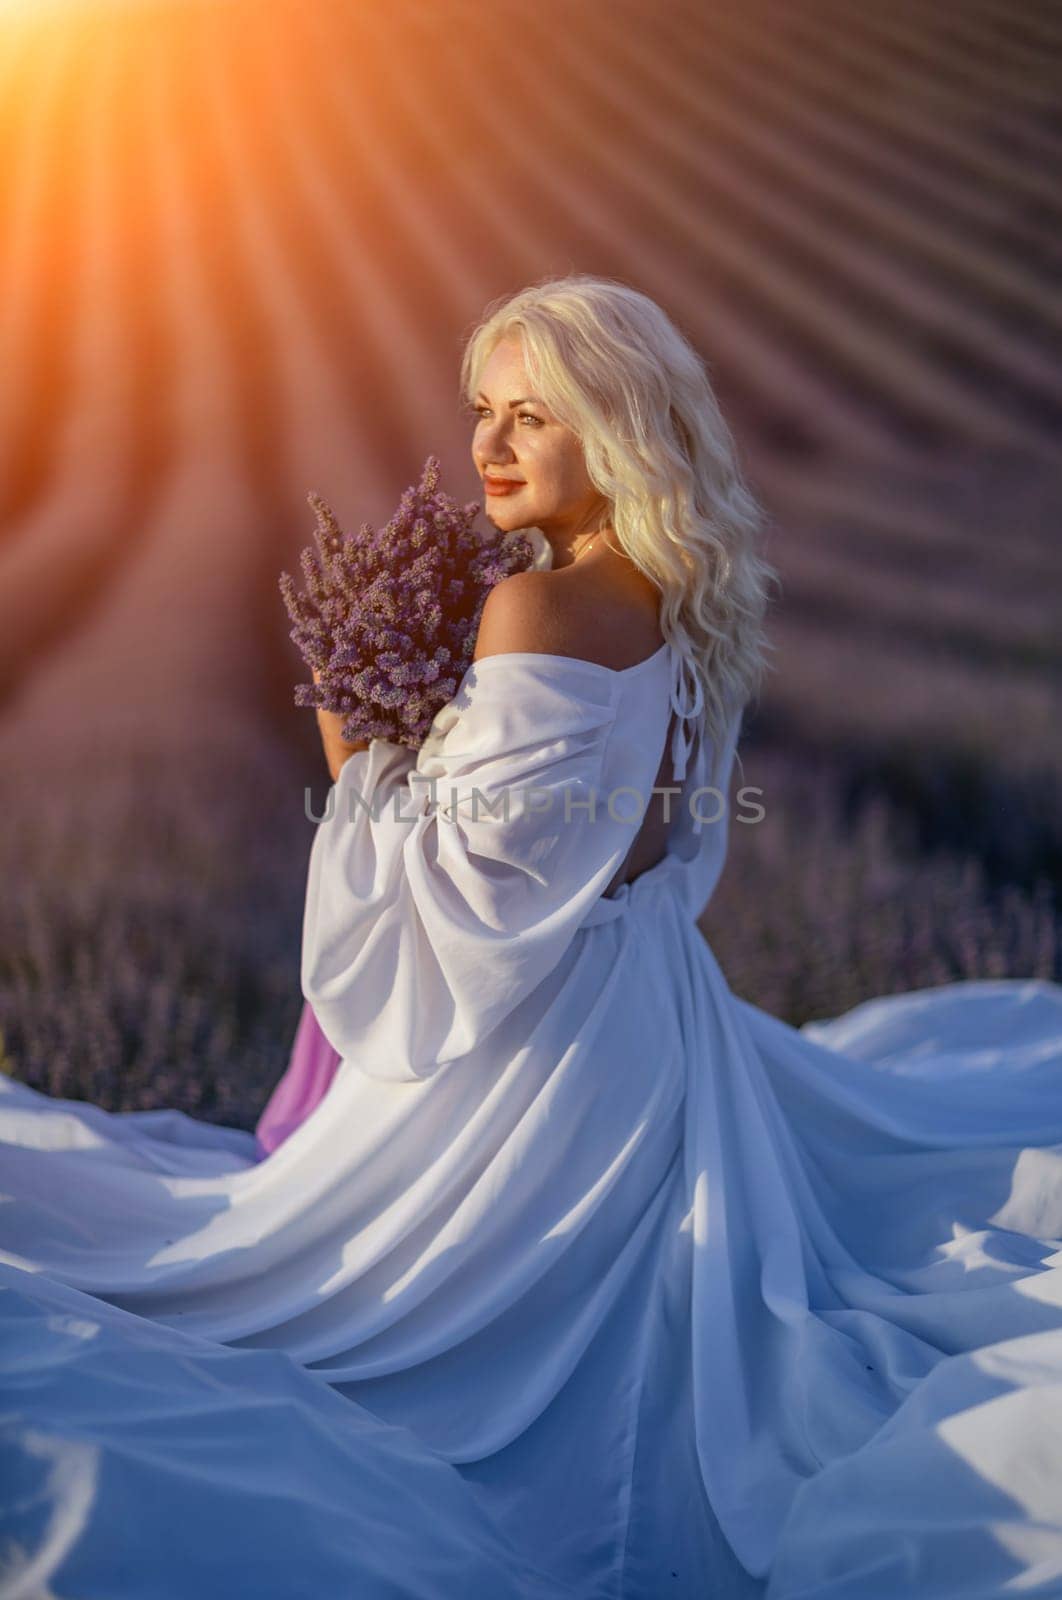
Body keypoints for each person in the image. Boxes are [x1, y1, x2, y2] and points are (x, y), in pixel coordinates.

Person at [2, 275, 1061, 1600]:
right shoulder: (684, 605)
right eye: (482, 414)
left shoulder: (538, 611)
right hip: (650, 1031)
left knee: (264, 1306)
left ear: (614, 432)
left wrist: (359, 737)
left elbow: (475, 905)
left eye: (532, 419)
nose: (490, 449)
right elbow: (644, 858)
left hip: (531, 1070)